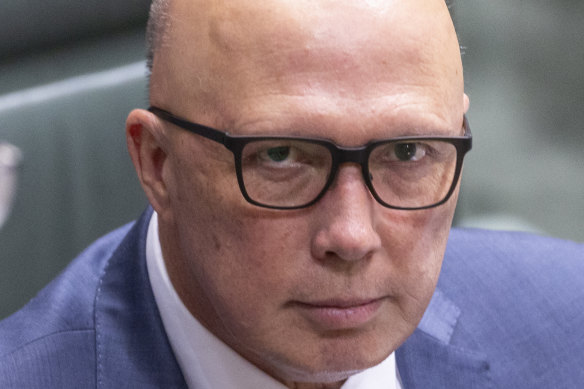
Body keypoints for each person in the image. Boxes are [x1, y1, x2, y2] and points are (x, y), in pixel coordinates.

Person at [1, 0, 583, 388]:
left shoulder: (568, 323)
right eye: (280, 156)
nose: (351, 237)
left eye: (408, 152)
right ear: (157, 163)